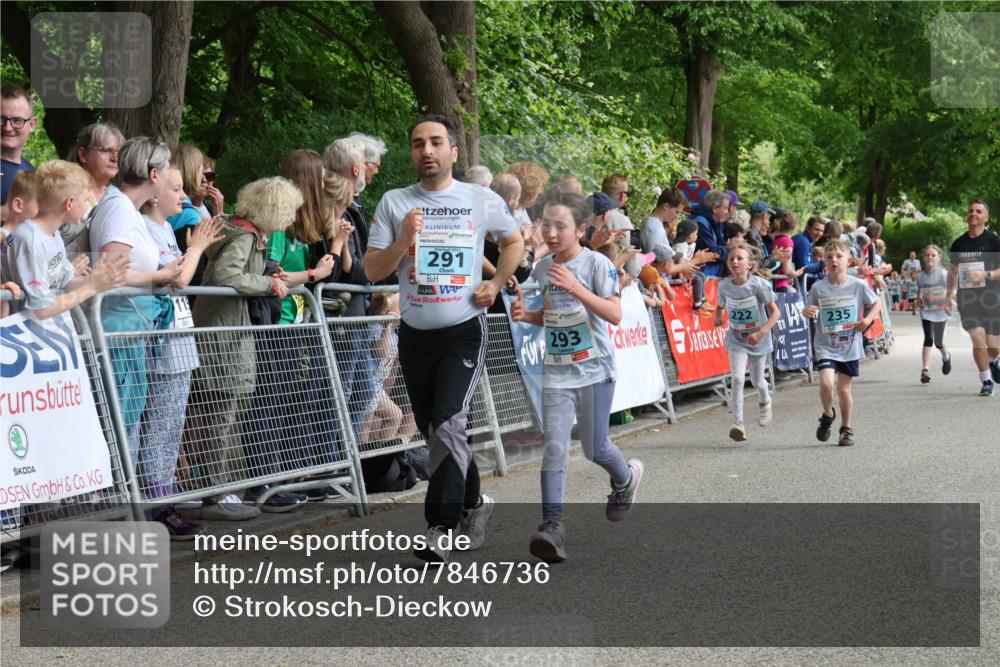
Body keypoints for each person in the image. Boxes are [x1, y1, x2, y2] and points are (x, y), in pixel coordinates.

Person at [365, 114, 525, 564]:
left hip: (463, 331)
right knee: (439, 429)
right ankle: (475, 502)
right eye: (418, 144)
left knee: (449, 423)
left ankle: (440, 525)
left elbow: (513, 243)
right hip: (415, 335)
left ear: (454, 152)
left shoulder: (480, 199)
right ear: (412, 153)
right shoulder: (396, 203)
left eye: (436, 142)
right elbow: (373, 270)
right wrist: (403, 241)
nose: (427, 151)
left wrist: (495, 285)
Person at [509, 190, 644, 564]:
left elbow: (614, 315)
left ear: (581, 230)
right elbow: (551, 315)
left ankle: (625, 478)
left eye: (561, 226)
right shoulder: (541, 268)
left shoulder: (597, 265)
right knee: (554, 447)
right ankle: (551, 526)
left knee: (594, 448)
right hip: (557, 372)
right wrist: (527, 316)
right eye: (546, 225)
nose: (551, 233)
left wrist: (576, 287)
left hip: (595, 370)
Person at [182, 177, 300, 520]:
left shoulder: (238, 229)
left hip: (214, 332)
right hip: (223, 338)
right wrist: (268, 283)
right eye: (289, 210)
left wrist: (265, 270)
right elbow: (226, 276)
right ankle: (216, 495)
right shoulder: (246, 235)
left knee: (208, 416)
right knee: (221, 417)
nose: (291, 217)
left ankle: (210, 492)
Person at [137, 161, 224, 537]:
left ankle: (164, 498)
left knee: (171, 427)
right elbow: (178, 280)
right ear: (154, 191)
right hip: (162, 344)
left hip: (179, 340)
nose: (184, 195)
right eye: (176, 189)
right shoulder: (144, 226)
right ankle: (157, 504)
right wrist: (198, 248)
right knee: (159, 428)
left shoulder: (163, 228)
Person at [90, 138, 187, 474]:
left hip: (132, 331)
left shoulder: (124, 208)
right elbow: (112, 270)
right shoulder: (119, 208)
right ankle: (122, 507)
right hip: (120, 332)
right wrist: (161, 275)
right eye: (165, 169)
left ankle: (129, 506)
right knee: (120, 423)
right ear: (152, 174)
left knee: (127, 421)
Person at [4, 160, 128, 319]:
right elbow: (42, 309)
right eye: (85, 201)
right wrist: (91, 287)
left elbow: (67, 282)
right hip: (21, 337)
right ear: (69, 203)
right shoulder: (29, 239)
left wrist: (100, 279)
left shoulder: (52, 234)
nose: (86, 207)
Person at [803, 240, 882, 446]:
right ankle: (828, 414)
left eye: (839, 257)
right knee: (826, 383)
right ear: (824, 262)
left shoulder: (858, 284)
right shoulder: (818, 287)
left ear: (849, 261)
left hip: (849, 344)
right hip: (825, 344)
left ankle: (846, 429)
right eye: (829, 258)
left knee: (844, 390)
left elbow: (877, 304)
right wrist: (807, 311)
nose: (834, 261)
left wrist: (866, 321)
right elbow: (807, 308)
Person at [714, 244, 779, 441]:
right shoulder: (724, 286)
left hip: (758, 338)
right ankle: (738, 423)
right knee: (738, 378)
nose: (734, 262)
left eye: (739, 258)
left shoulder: (758, 285)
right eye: (731, 258)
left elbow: (775, 312)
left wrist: (761, 333)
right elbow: (720, 307)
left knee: (758, 381)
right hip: (736, 339)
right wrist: (718, 318)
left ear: (749, 265)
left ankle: (765, 401)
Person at [946, 199, 1000, 397]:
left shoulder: (994, 241)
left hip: (992, 297)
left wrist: (987, 274)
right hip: (968, 298)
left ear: (986, 217)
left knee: (993, 346)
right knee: (977, 337)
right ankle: (986, 380)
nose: (973, 214)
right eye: (971, 211)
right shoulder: (959, 243)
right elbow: (952, 272)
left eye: (978, 211)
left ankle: (994, 360)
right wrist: (948, 295)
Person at [63, 122, 127, 255]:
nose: (114, 158)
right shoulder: (62, 190)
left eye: (118, 151)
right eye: (105, 150)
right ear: (83, 155)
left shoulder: (115, 196)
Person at [914, 244, 952, 384]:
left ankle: (946, 357)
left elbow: (951, 293)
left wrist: (935, 299)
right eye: (927, 255)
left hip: (941, 311)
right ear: (924, 258)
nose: (930, 257)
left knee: (939, 341)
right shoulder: (920, 276)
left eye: (933, 255)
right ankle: (925, 370)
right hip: (927, 312)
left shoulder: (943, 274)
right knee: (928, 338)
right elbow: (919, 294)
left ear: (939, 258)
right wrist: (918, 302)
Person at [1, 85, 37, 204]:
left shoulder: (33, 174)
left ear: (31, 124)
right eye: (0, 119)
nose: (7, 127)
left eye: (17, 121)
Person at [691, 189, 732, 277]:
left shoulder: (716, 223)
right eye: (725, 208)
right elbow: (713, 251)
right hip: (704, 277)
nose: (727, 212)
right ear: (715, 208)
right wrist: (731, 249)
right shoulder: (701, 223)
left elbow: (720, 248)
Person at [792, 215, 826, 290]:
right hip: (796, 285)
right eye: (816, 229)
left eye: (821, 231)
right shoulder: (802, 241)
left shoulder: (808, 241)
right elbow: (804, 267)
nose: (819, 233)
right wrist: (823, 263)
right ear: (808, 227)